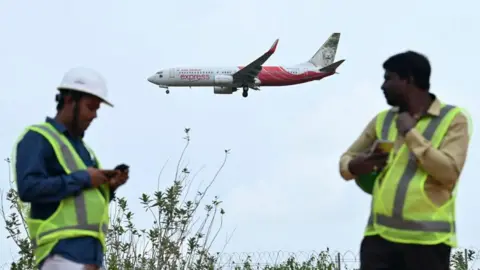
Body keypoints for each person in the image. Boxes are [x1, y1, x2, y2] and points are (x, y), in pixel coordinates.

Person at [338, 51, 472, 270]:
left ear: (408, 79)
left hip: (428, 242)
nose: (383, 86)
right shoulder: (382, 120)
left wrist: (411, 133)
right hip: (379, 238)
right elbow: (346, 160)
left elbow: (448, 173)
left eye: (388, 78)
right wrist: (356, 165)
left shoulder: (454, 119)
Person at [12, 67, 130, 270]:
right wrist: (84, 178)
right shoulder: (38, 137)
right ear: (69, 101)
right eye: (90, 107)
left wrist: (109, 188)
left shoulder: (84, 150)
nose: (94, 115)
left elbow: (80, 201)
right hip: (61, 254)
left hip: (91, 259)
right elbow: (28, 188)